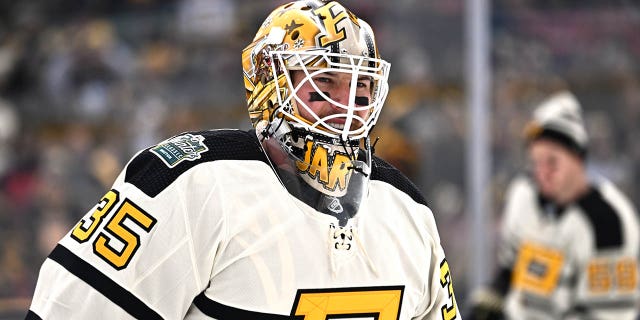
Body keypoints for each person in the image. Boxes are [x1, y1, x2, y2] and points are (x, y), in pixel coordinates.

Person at [27, 1, 460, 319]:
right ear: (269, 82)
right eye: (324, 82)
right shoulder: (191, 183)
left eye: (360, 86)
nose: (346, 105)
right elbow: (72, 309)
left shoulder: (408, 211)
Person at [468, 91, 640, 319]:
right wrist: (492, 298)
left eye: (552, 161)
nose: (542, 173)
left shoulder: (608, 222)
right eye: (536, 162)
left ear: (578, 159)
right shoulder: (523, 195)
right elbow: (510, 269)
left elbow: (610, 315)